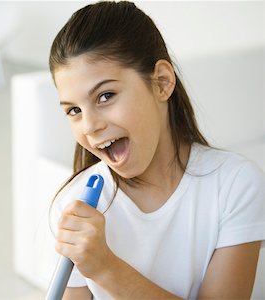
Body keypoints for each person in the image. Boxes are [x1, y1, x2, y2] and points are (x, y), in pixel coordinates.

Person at [48, 1, 265, 299]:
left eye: (105, 96)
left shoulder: (235, 185)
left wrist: (104, 268)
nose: (89, 126)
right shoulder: (74, 205)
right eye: (73, 110)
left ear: (162, 82)